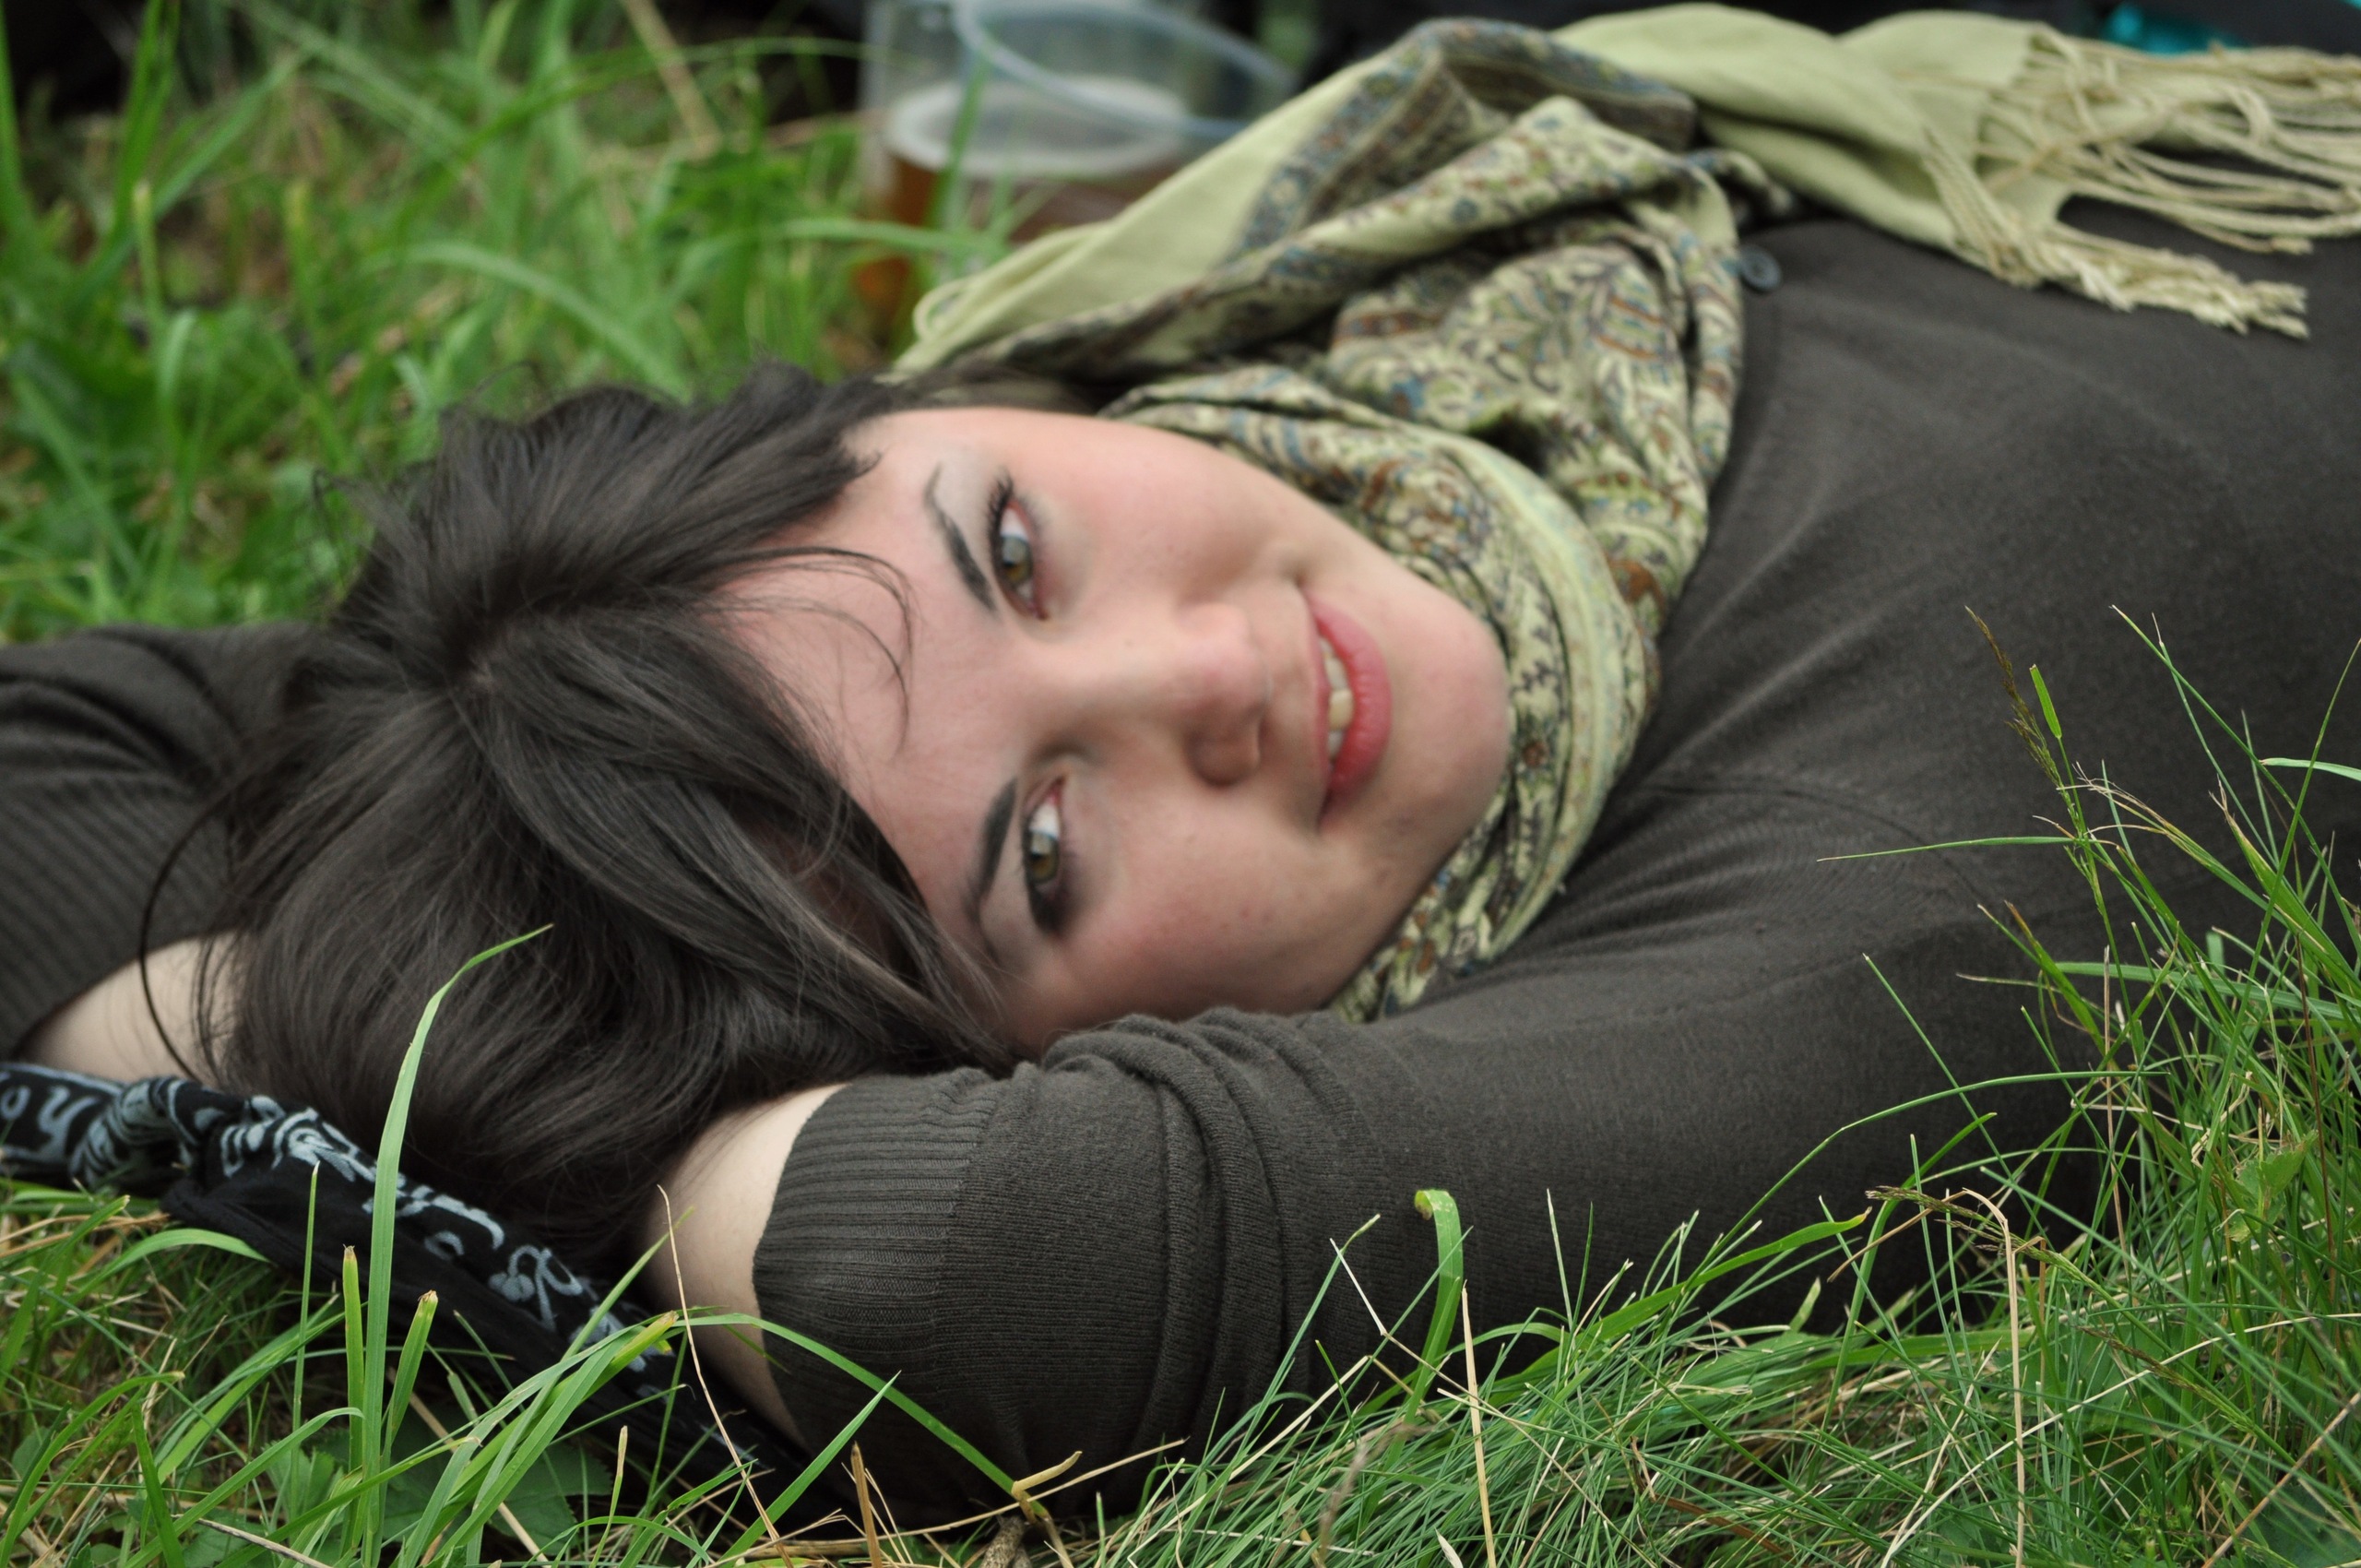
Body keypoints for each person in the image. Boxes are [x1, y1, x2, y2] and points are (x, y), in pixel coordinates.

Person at [8, 8, 2361, 1520]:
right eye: (1044, 850)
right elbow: (963, 1269)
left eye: (1015, 546)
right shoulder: (1890, 862)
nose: (1210, 669)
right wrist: (543, 1105)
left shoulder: (1341, 285)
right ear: (1010, 1073)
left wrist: (377, 981)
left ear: (913, 406)